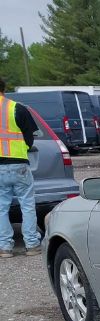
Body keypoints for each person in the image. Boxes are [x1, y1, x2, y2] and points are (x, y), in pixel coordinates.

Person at [0, 77, 40, 258]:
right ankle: (32, 245)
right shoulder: (16, 108)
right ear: (4, 88)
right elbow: (30, 137)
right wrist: (22, 148)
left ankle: (5, 248)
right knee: (27, 205)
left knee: (1, 208)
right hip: (19, 164)